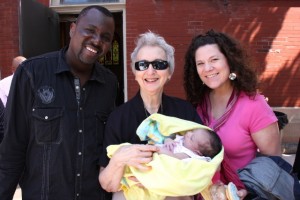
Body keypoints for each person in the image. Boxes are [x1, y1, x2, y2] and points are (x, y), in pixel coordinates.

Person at [0, 5, 118, 200]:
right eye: (90, 31)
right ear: (72, 30)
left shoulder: (109, 84)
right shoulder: (31, 74)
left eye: (105, 37)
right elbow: (12, 150)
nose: (97, 40)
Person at [99, 31, 202, 200]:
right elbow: (108, 184)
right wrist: (120, 159)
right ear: (135, 72)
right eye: (143, 65)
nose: (150, 71)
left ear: (169, 72)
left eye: (159, 64)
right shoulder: (118, 118)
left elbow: (204, 167)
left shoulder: (185, 112)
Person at [183, 29, 281, 199]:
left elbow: (273, 165)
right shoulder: (197, 105)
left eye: (214, 59)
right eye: (200, 63)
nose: (208, 68)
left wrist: (246, 191)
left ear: (230, 61)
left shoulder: (254, 105)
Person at [106, 113, 224, 200]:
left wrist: (160, 149)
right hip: (143, 160)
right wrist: (168, 141)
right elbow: (168, 138)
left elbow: (174, 159)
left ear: (197, 151)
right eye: (192, 132)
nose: (188, 134)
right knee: (127, 152)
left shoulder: (190, 155)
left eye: (192, 137)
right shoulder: (184, 141)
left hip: (159, 165)